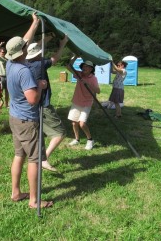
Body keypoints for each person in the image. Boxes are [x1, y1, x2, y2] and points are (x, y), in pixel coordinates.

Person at [6, 12, 53, 209]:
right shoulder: (24, 71)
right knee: (34, 160)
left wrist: (34, 23)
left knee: (19, 155)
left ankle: (16, 192)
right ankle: (34, 201)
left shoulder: (10, 63)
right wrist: (41, 85)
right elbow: (33, 99)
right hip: (28, 120)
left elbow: (24, 40)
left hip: (15, 117)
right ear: (24, 51)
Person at [25, 33, 69, 172]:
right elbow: (55, 59)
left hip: (31, 103)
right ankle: (43, 159)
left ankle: (38, 156)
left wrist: (49, 37)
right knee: (60, 133)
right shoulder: (40, 64)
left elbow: (35, 46)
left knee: (40, 131)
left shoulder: (25, 63)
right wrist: (62, 44)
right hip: (43, 104)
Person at [66, 56, 101, 150]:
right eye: (84, 66)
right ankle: (77, 139)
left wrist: (88, 84)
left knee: (82, 123)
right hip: (76, 101)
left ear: (91, 69)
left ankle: (90, 140)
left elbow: (98, 91)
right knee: (74, 122)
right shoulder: (79, 74)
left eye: (88, 66)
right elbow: (68, 66)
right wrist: (75, 57)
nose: (85, 67)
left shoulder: (93, 78)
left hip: (86, 103)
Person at [0, 42, 9, 108]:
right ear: (0, 52)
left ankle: (6, 105)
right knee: (0, 92)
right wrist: (0, 44)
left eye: (5, 52)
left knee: (7, 92)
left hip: (7, 77)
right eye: (3, 52)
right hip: (1, 77)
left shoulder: (7, 59)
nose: (4, 53)